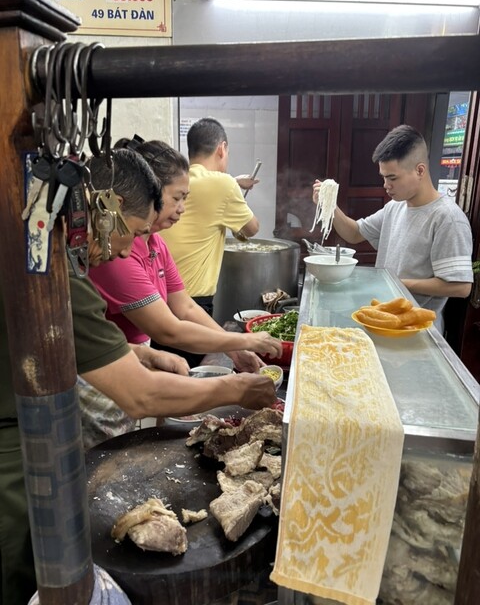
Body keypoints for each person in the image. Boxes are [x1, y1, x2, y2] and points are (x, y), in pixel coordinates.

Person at [0, 148, 276, 605]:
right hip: (10, 436)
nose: (129, 249)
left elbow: (54, 339)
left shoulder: (54, 253)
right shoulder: (51, 264)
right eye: (133, 232)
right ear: (105, 210)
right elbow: (140, 397)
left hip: (27, 413)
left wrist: (138, 353)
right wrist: (235, 388)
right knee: (20, 563)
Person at [88, 140, 282, 377]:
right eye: (177, 198)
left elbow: (186, 307)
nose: (182, 208)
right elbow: (168, 330)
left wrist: (236, 350)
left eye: (185, 199)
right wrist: (246, 341)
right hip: (112, 366)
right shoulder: (117, 252)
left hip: (135, 358)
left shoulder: (156, 243)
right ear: (150, 193)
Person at [312, 124, 473, 332]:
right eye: (384, 177)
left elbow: (461, 287)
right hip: (383, 320)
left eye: (392, 178)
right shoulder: (395, 207)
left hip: (416, 330)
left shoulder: (447, 218)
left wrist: (394, 282)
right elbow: (354, 233)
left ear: (420, 170)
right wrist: (329, 205)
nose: (386, 185)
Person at [161, 117, 260, 316]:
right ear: (221, 149)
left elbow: (203, 188)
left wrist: (233, 182)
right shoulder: (224, 184)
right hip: (192, 302)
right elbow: (252, 229)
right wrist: (232, 186)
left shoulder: (176, 179)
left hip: (160, 297)